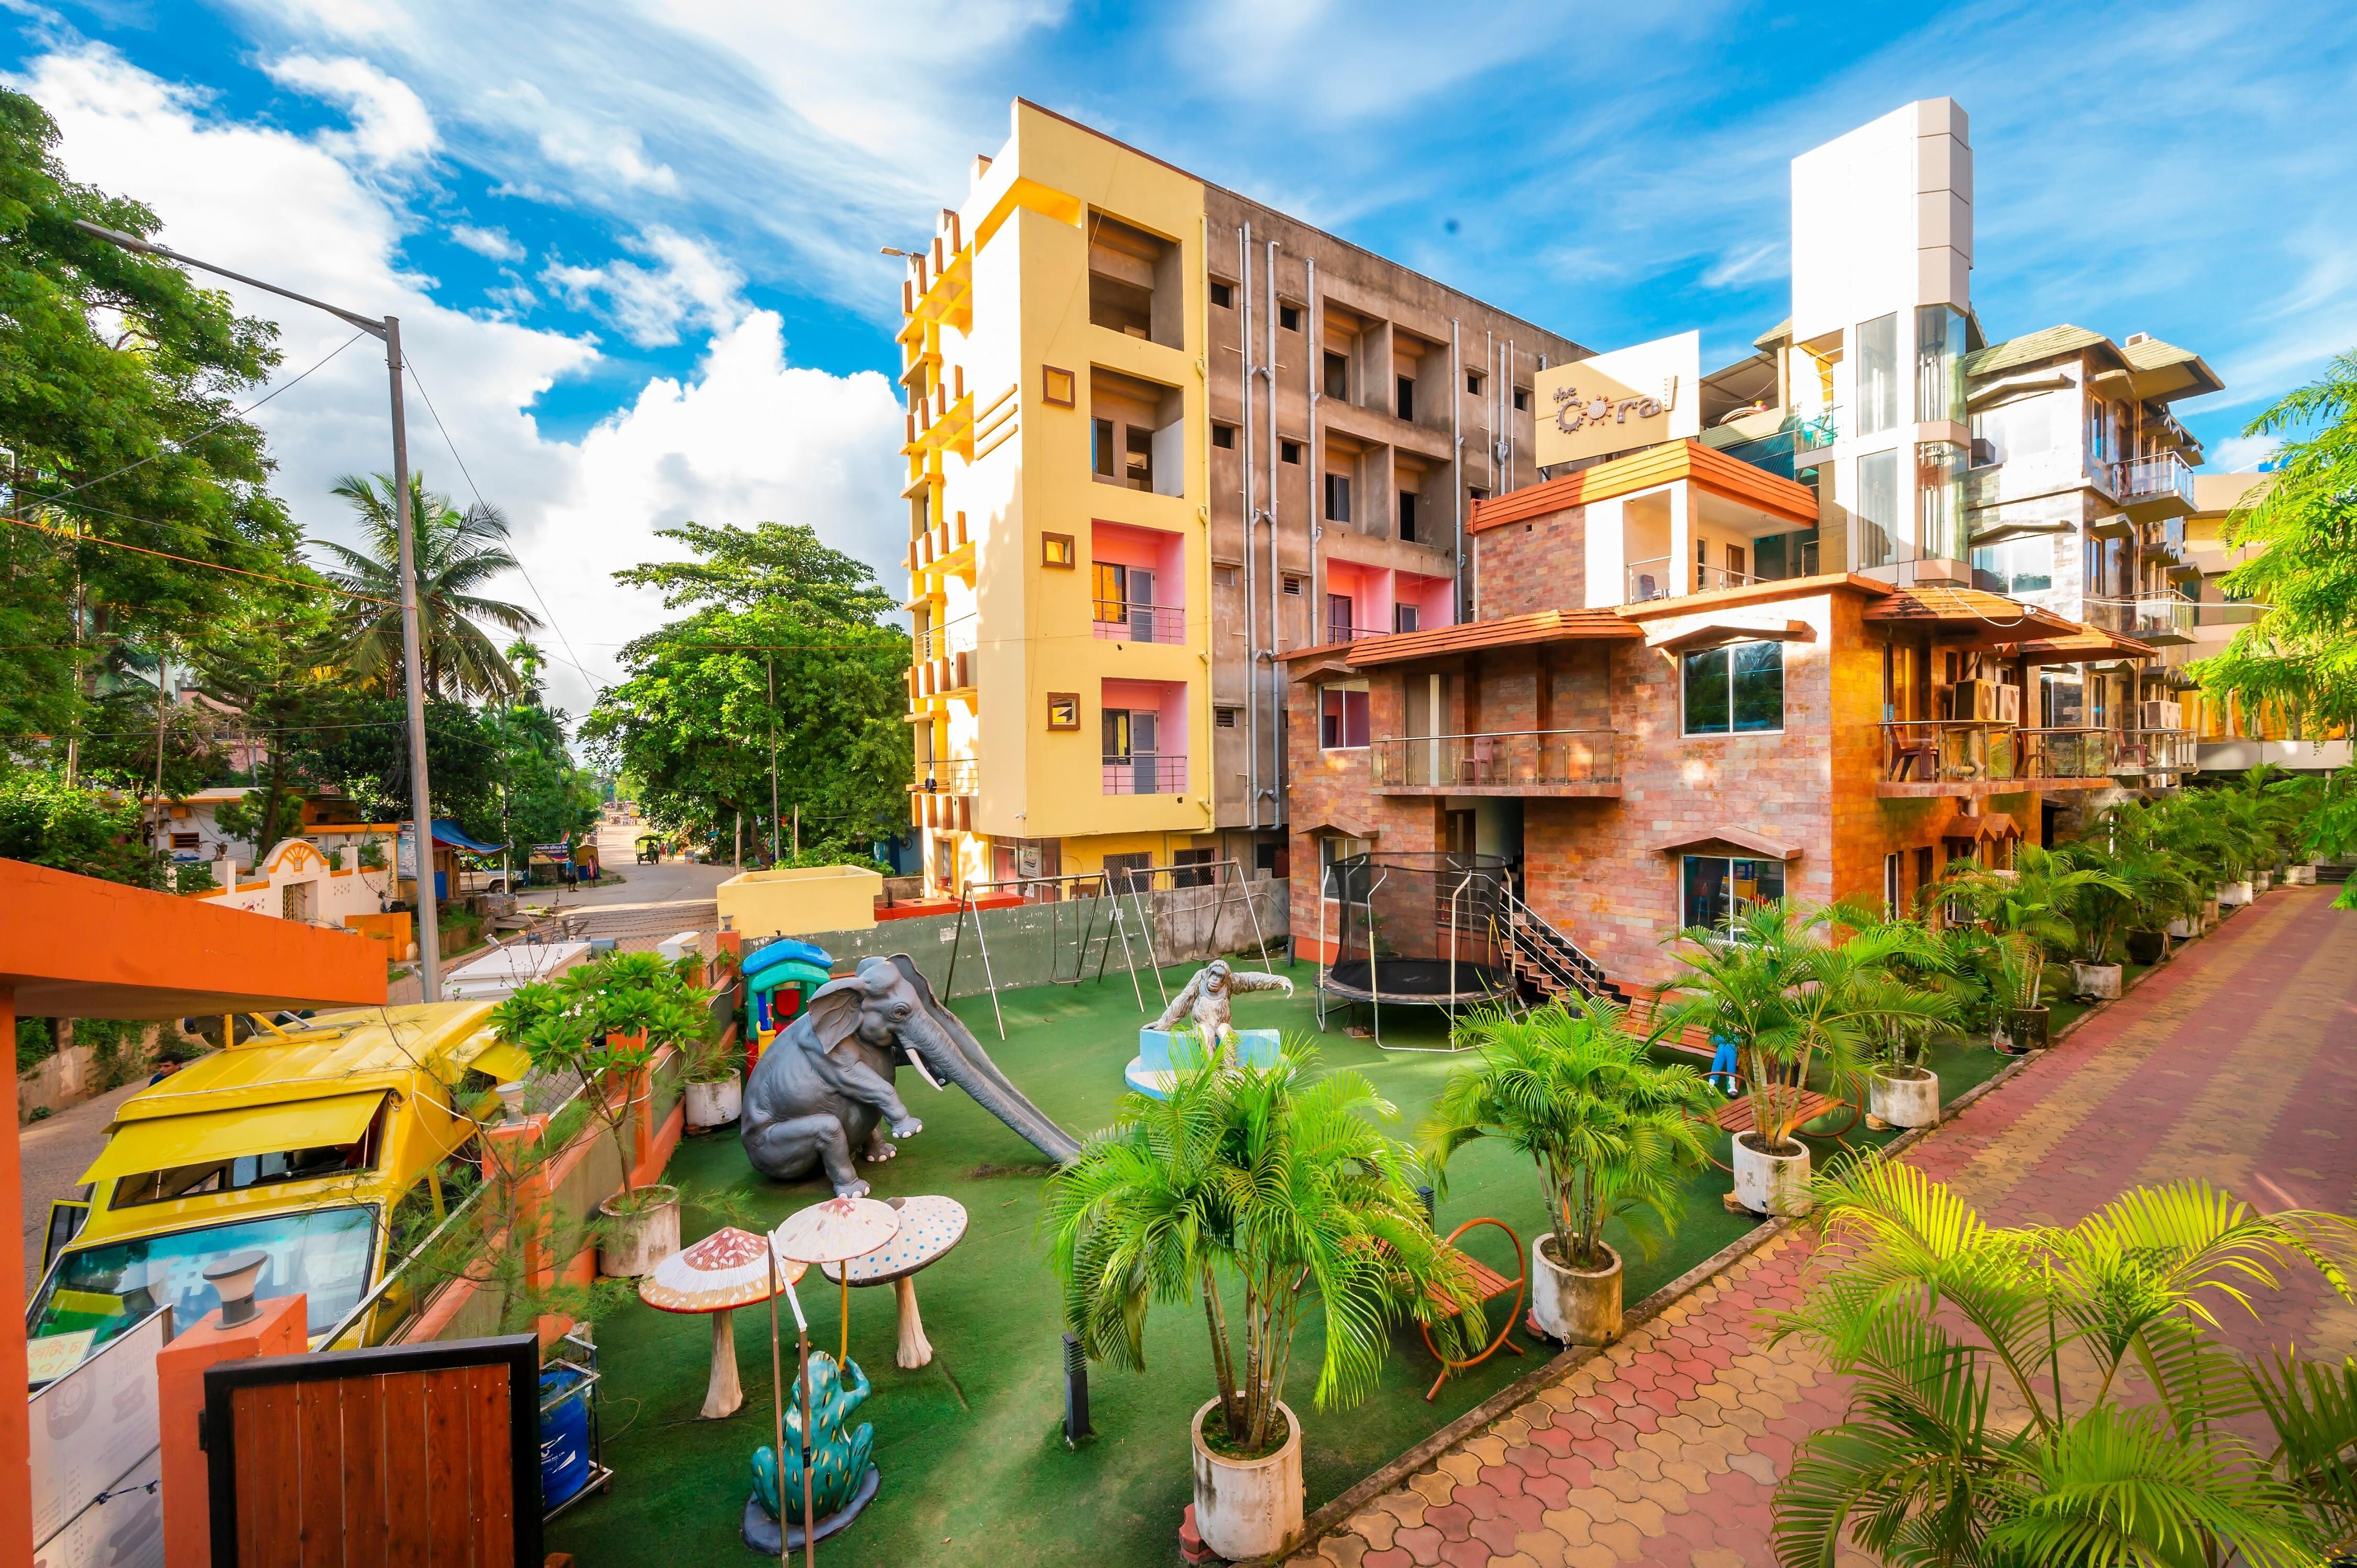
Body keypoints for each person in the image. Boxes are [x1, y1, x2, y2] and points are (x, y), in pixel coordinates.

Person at [1707, 1031, 1741, 1097]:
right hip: (1719, 1037)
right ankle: (1731, 1082)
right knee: (1730, 1042)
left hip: (1735, 1038)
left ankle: (1712, 1083)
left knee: (1726, 1046)